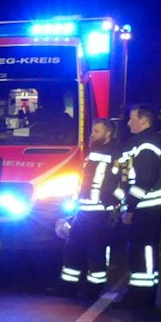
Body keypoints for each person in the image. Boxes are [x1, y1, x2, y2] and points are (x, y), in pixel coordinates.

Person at [117, 104, 161, 308]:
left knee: (142, 251)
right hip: (150, 207)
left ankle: (142, 298)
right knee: (138, 251)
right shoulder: (151, 140)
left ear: (143, 120)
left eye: (132, 118)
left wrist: (130, 207)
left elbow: (144, 180)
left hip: (149, 207)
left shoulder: (146, 144)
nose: (128, 123)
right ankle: (138, 295)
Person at [60, 119, 124, 296]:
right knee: (72, 248)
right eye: (93, 131)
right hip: (83, 209)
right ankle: (67, 286)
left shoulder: (116, 154)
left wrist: (114, 202)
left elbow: (117, 183)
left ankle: (93, 289)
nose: (92, 135)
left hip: (100, 211)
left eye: (97, 131)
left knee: (96, 251)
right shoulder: (93, 152)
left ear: (108, 133)